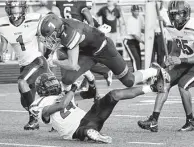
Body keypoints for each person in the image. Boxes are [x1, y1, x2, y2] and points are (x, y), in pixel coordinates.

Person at [38, 13, 170, 93]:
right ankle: (68, 108)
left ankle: (154, 71)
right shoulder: (62, 24)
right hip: (88, 52)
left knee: (129, 81)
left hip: (104, 50)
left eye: (50, 36)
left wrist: (53, 61)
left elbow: (72, 65)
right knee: (67, 79)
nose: (49, 39)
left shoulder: (70, 33)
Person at [29, 72, 164, 143]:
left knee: (113, 94)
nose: (52, 85)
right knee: (85, 131)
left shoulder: (66, 95)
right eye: (49, 83)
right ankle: (93, 134)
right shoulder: (40, 106)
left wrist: (91, 81)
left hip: (89, 117)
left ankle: (152, 87)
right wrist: (74, 87)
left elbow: (89, 94)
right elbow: (62, 105)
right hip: (74, 130)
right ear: (42, 88)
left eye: (53, 81)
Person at [138, 0, 194, 132]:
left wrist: (181, 60)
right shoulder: (172, 28)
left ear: (185, 14)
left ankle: (191, 121)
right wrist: (170, 59)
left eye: (178, 14)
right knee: (164, 83)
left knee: (183, 86)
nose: (175, 18)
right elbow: (176, 49)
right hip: (183, 61)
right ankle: (153, 120)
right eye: (173, 15)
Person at [0, 0, 51, 130]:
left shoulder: (34, 19)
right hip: (24, 65)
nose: (15, 12)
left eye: (18, 9)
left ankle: (34, 119)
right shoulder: (2, 24)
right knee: (25, 102)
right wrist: (2, 55)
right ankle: (50, 116)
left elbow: (47, 33)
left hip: (37, 61)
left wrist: (51, 52)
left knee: (22, 82)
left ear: (23, 9)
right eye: (13, 9)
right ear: (8, 9)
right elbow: (4, 44)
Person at [53, 0, 113, 91]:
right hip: (71, 34)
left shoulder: (84, 12)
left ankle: (85, 82)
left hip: (80, 36)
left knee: (79, 60)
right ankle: (98, 75)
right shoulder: (71, 5)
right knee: (75, 60)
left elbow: (93, 24)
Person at [123, 5, 144, 71]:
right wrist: (142, 41)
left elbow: (141, 29)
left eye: (138, 11)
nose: (137, 12)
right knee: (135, 58)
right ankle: (136, 75)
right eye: (135, 11)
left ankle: (139, 75)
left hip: (135, 41)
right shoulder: (130, 20)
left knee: (139, 59)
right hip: (129, 41)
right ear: (132, 11)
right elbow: (133, 34)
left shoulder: (139, 19)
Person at [151, 0, 170, 66]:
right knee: (151, 55)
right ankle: (150, 71)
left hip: (160, 35)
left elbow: (166, 24)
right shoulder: (151, 10)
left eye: (159, 2)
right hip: (152, 35)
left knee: (160, 54)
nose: (158, 3)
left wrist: (162, 20)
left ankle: (161, 70)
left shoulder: (164, 11)